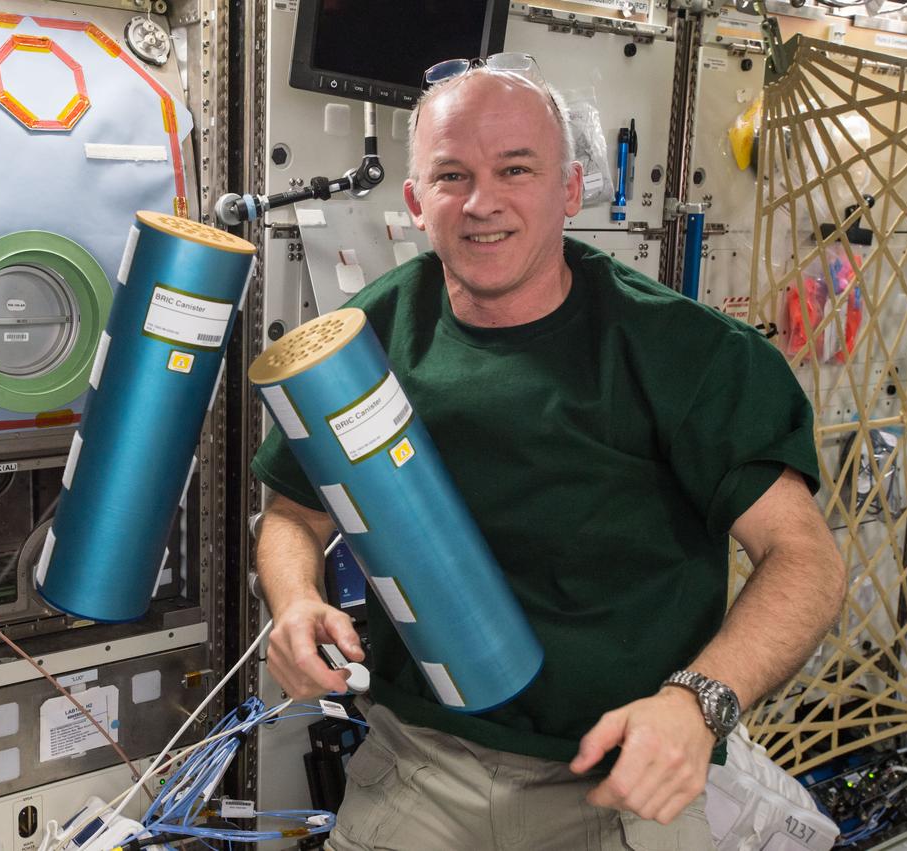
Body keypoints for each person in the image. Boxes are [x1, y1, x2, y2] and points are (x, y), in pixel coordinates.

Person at [250, 60, 847, 850]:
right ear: (415, 203)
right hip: (419, 766)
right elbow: (293, 511)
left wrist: (697, 703)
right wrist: (293, 601)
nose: (481, 202)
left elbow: (803, 558)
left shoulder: (686, 356)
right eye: (451, 175)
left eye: (515, 170)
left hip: (624, 779)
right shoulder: (370, 336)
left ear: (569, 190)